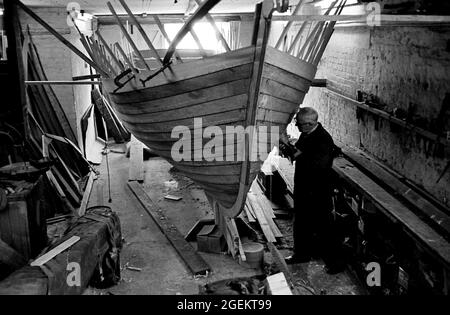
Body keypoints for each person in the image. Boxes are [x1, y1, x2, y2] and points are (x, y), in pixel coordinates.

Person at [279, 107, 344, 274]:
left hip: (317, 190)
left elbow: (316, 166)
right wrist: (287, 146)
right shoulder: (308, 133)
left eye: (299, 124)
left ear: (309, 124)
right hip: (304, 186)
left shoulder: (323, 139)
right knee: (301, 221)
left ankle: (335, 263)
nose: (297, 126)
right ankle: (301, 255)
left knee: (324, 225)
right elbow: (299, 152)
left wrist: (288, 146)